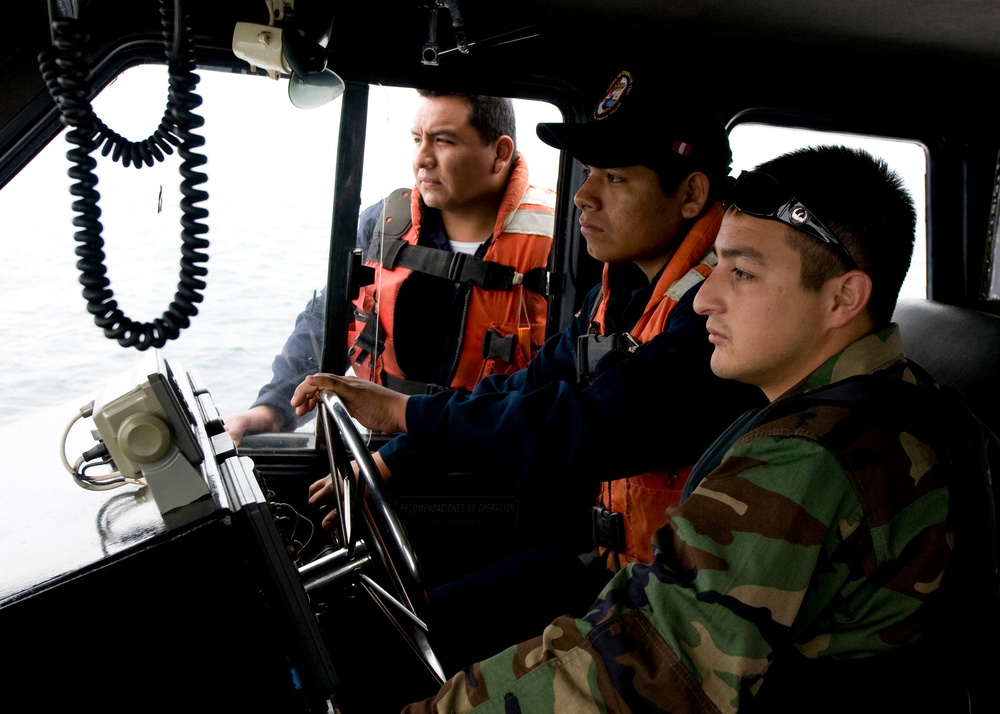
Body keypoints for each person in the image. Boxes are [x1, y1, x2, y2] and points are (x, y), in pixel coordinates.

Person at [396, 145, 999, 712]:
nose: (705, 298)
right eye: (717, 266)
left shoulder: (806, 461)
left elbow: (646, 666)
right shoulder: (923, 404)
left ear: (843, 299)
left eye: (741, 272)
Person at [293, 69, 766, 663]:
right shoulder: (622, 291)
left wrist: (407, 414)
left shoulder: (715, 318)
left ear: (692, 196)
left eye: (614, 177)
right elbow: (534, 382)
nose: (582, 196)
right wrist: (398, 453)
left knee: (409, 643)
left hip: (676, 593)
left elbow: (580, 427)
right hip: (614, 549)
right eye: (588, 173)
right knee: (407, 620)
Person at [224, 91, 555, 444]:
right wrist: (272, 410)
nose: (422, 159)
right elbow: (327, 319)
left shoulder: (559, 240)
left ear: (500, 153)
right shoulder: (384, 225)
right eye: (417, 140)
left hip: (498, 465)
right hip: (381, 452)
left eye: (443, 141)